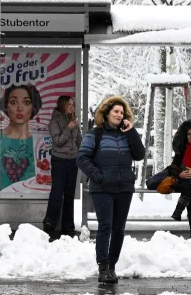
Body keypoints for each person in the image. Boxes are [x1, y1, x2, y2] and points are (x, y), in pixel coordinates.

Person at [76, 95, 145, 284]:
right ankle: (103, 268)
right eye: (116, 111)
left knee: (119, 229)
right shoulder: (94, 134)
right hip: (102, 188)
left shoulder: (127, 133)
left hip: (124, 187)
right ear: (106, 113)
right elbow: (82, 158)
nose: (119, 114)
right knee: (105, 227)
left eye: (122, 112)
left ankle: (112, 267)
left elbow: (140, 154)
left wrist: (132, 132)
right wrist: (99, 177)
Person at [43, 95, 81, 239]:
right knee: (57, 192)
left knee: (69, 194)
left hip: (73, 160)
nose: (72, 107)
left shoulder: (74, 120)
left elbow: (79, 141)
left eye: (73, 104)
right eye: (69, 104)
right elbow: (58, 141)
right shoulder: (54, 120)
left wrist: (82, 152)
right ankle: (49, 222)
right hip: (59, 160)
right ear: (62, 105)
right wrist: (68, 128)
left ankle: (68, 226)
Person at [0, 84, 42, 189]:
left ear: (33, 107)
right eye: (14, 102)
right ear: (6, 106)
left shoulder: (38, 142)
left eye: (26, 102)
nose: (20, 108)